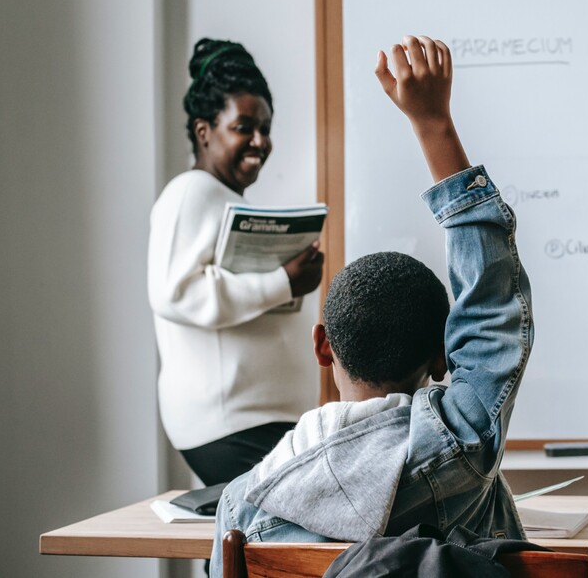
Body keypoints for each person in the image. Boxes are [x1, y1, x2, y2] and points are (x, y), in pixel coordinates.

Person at [208, 34, 534, 576]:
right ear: (440, 357)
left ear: (322, 347)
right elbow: (491, 308)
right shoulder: (463, 446)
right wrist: (435, 124)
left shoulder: (244, 507)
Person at [148, 38, 325, 486]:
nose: (260, 141)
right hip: (232, 423)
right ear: (205, 131)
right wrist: (283, 283)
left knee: (253, 543)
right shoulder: (191, 192)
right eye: (243, 127)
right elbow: (176, 292)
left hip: (258, 421)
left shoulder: (220, 200)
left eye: (265, 128)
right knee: (271, 545)